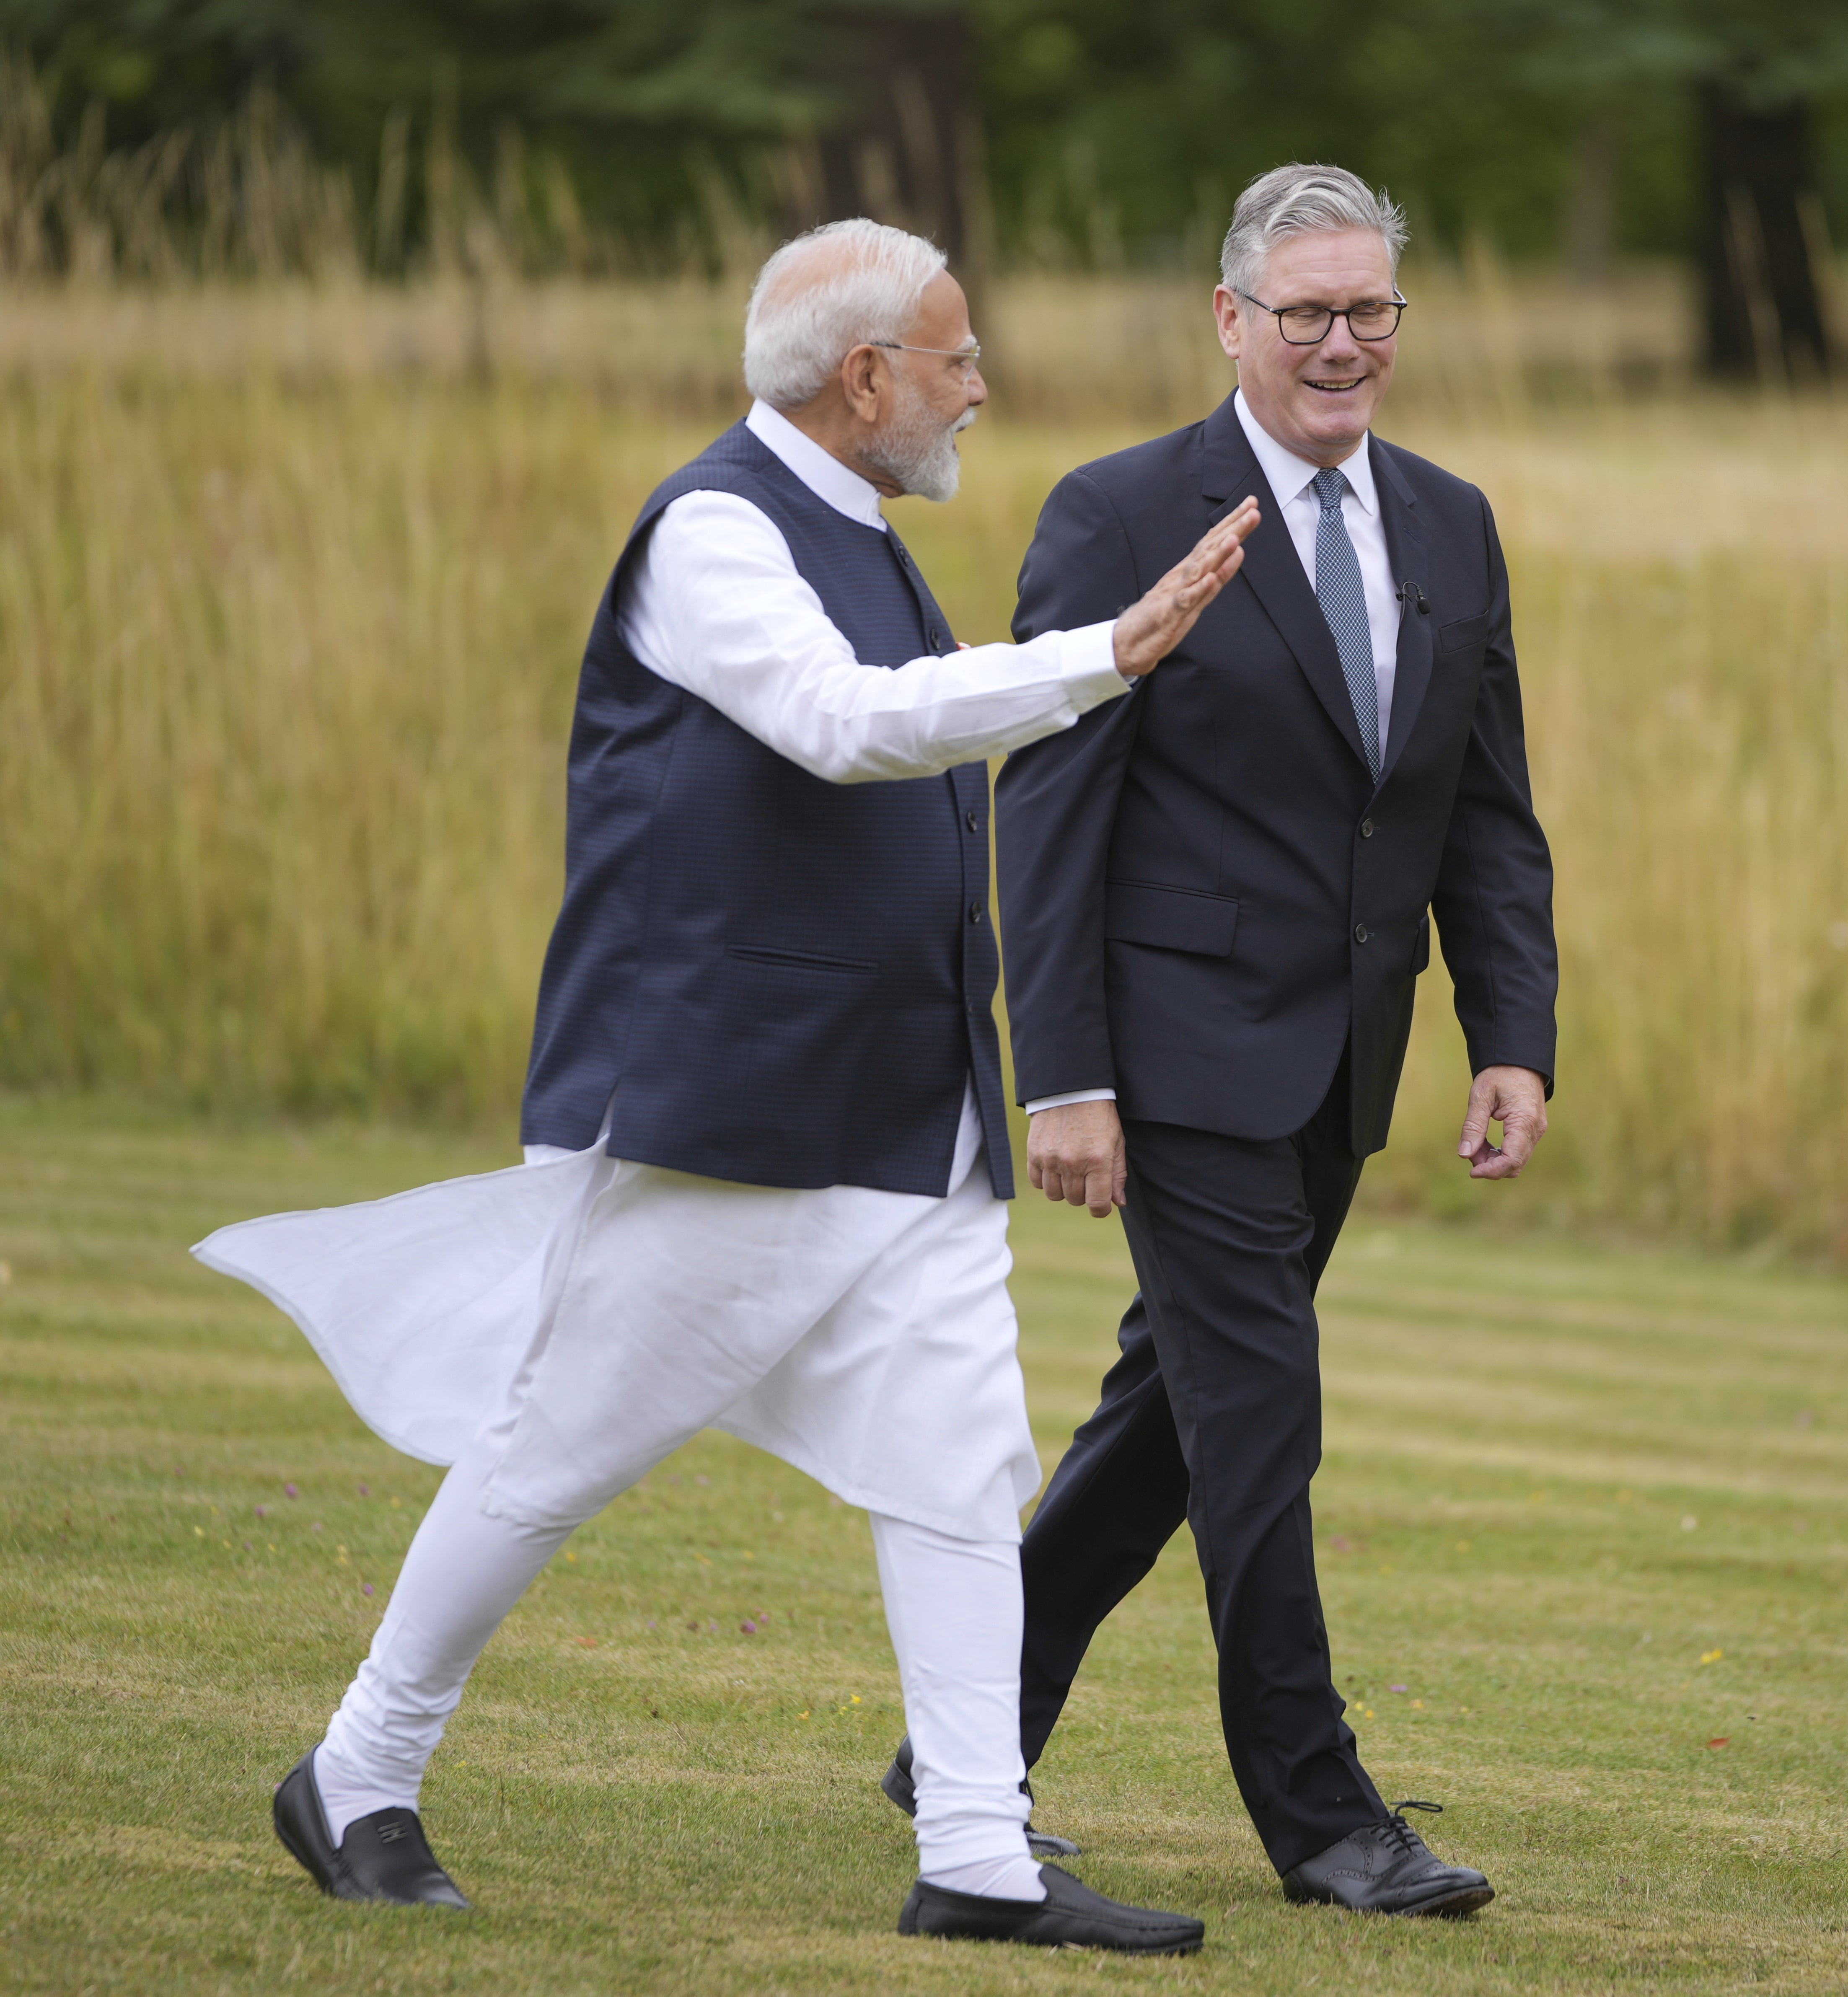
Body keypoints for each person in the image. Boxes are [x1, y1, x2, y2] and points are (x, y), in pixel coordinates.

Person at [192, 217, 1258, 1955]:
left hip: (914, 1110)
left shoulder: (861, 528)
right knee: (559, 1444)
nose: (982, 383)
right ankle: (357, 1770)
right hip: (744, 1107)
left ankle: (979, 1854)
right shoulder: (713, 533)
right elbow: (846, 722)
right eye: (955, 355)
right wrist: (1103, 654)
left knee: (961, 1461)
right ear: (864, 380)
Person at [882, 162, 1558, 1917]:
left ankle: (961, 1739)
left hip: (1345, 1058)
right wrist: (1075, 1076)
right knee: (1260, 1421)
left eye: (1373, 311)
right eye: (1308, 312)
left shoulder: (1455, 523)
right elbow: (1055, 812)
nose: (1344, 344)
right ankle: (1326, 1815)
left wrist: (1513, 1033)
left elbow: (1481, 812)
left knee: (1170, 1426)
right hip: (1177, 1060)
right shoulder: (1121, 514)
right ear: (1231, 319)